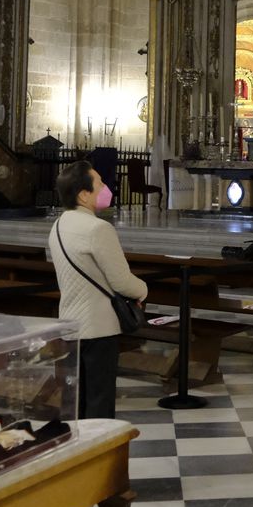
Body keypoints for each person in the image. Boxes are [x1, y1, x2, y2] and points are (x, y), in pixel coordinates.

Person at [47, 161, 148, 420]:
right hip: (98, 327)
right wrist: (143, 289)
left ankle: (78, 452)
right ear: (83, 194)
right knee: (99, 402)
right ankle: (99, 453)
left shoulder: (58, 226)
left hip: (70, 324)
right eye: (100, 183)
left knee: (75, 400)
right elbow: (121, 281)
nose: (105, 187)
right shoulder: (98, 229)